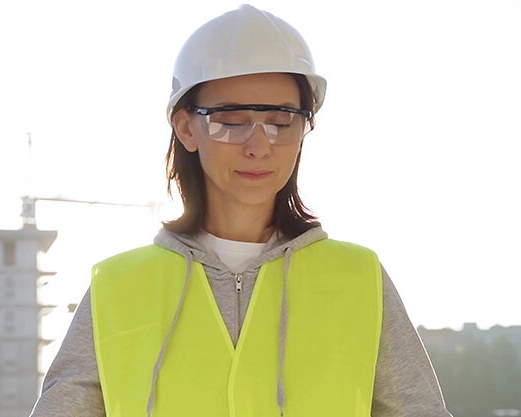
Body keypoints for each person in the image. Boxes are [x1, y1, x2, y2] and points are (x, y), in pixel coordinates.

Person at [30, 4, 453, 417]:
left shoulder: (360, 279)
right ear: (184, 127)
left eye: (281, 120)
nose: (259, 144)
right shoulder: (117, 289)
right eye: (231, 120)